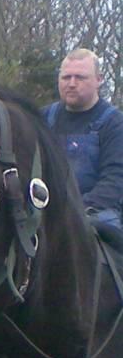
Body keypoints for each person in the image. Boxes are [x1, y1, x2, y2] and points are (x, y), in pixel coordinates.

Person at [44, 48, 123, 229]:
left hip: (97, 214)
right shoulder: (43, 119)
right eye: (66, 77)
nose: (72, 83)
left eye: (80, 77)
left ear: (99, 80)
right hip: (44, 210)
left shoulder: (115, 124)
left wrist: (74, 211)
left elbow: (115, 181)